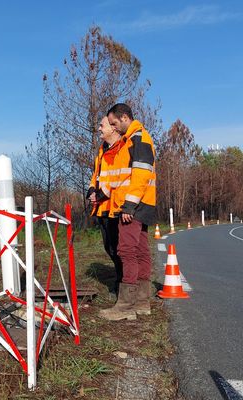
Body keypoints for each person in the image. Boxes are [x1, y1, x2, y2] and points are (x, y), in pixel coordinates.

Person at [99, 103, 156, 321]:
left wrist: (129, 205)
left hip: (134, 205)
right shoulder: (134, 138)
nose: (113, 127)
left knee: (126, 251)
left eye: (114, 123)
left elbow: (140, 176)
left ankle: (126, 306)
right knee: (141, 250)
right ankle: (142, 302)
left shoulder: (138, 139)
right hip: (141, 203)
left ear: (124, 118)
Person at [87, 115, 123, 294]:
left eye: (102, 125)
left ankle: (124, 284)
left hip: (117, 207)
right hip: (102, 207)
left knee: (120, 248)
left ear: (113, 128)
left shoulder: (121, 148)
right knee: (109, 247)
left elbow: (119, 177)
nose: (99, 129)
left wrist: (100, 194)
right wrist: (92, 190)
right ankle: (121, 280)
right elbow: (96, 175)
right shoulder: (102, 150)